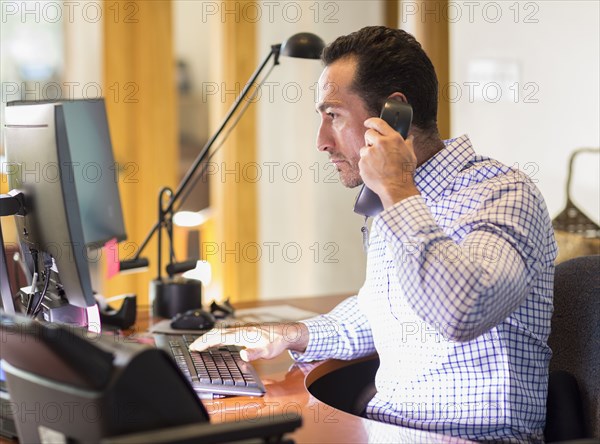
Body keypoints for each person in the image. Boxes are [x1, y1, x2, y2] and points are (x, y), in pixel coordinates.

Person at [190, 26, 557, 443]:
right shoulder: (393, 203)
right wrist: (292, 334)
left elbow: (461, 312)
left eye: (333, 116)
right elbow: (387, 311)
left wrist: (399, 190)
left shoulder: (502, 193)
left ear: (392, 117)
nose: (321, 142)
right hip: (389, 431)